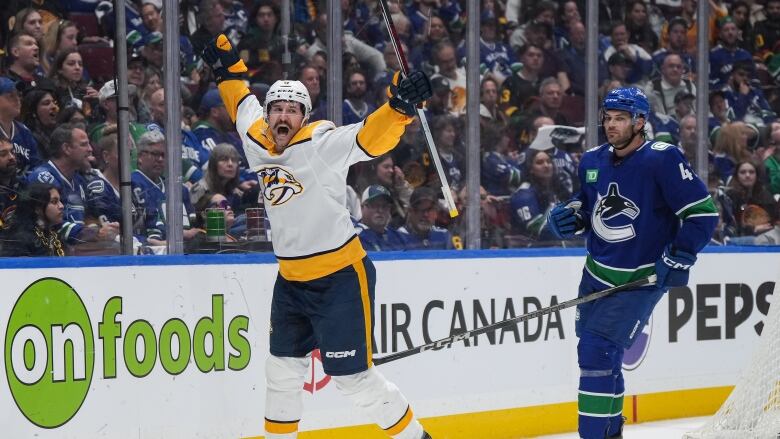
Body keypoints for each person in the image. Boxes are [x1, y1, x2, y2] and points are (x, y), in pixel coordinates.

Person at [202, 34, 433, 439]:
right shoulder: (256, 139)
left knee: (354, 381)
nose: (282, 116)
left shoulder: (322, 143)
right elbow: (240, 100)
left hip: (340, 277)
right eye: (277, 108)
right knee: (281, 372)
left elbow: (368, 137)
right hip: (290, 282)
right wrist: (227, 66)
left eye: (293, 109)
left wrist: (398, 109)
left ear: (304, 116)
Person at [546, 87, 717, 439]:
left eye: (620, 118)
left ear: (640, 121)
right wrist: (569, 217)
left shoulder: (662, 158)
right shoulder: (592, 160)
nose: (611, 125)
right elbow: (588, 205)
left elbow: (703, 214)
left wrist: (680, 254)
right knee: (601, 356)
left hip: (639, 281)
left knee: (595, 352)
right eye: (608, 118)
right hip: (595, 274)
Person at [0, 182, 64, 257]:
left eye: (60, 201)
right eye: (54, 202)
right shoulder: (21, 239)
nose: (61, 206)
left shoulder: (53, 235)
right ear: (37, 208)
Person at [356, 185, 407, 251]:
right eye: (374, 205)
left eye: (385, 206)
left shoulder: (398, 237)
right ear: (362, 207)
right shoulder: (355, 237)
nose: (380, 210)